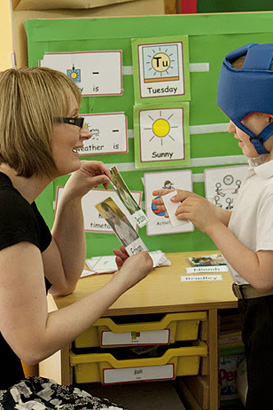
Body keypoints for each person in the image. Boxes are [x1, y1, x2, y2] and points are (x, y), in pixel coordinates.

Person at [0, 67, 153, 408]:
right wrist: (121, 282)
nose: (85, 133)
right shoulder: (6, 211)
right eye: (73, 120)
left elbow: (64, 279)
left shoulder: (15, 201)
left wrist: (71, 199)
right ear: (36, 126)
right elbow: (32, 344)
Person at [152, 43, 273, 410]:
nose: (229, 127)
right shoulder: (262, 173)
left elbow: (264, 275)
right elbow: (256, 230)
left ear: (268, 120)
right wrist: (209, 212)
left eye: (239, 119)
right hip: (256, 313)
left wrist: (211, 227)